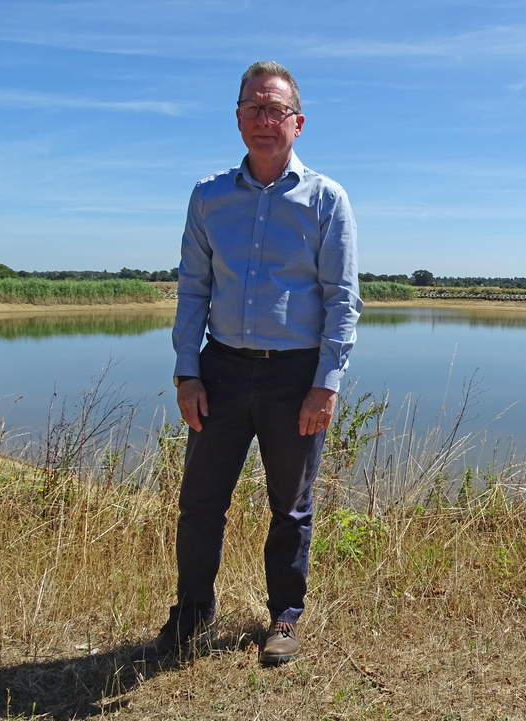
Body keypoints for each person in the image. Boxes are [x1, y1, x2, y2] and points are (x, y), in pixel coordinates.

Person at [132, 61, 361, 666]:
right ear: (237, 118)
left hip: (296, 377)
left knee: (291, 506)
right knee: (201, 502)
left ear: (298, 122)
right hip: (222, 371)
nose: (265, 119)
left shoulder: (326, 199)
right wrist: (187, 371)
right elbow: (193, 289)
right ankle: (191, 613)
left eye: (276, 109)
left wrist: (326, 384)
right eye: (254, 108)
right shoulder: (208, 197)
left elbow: (343, 298)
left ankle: (285, 616)